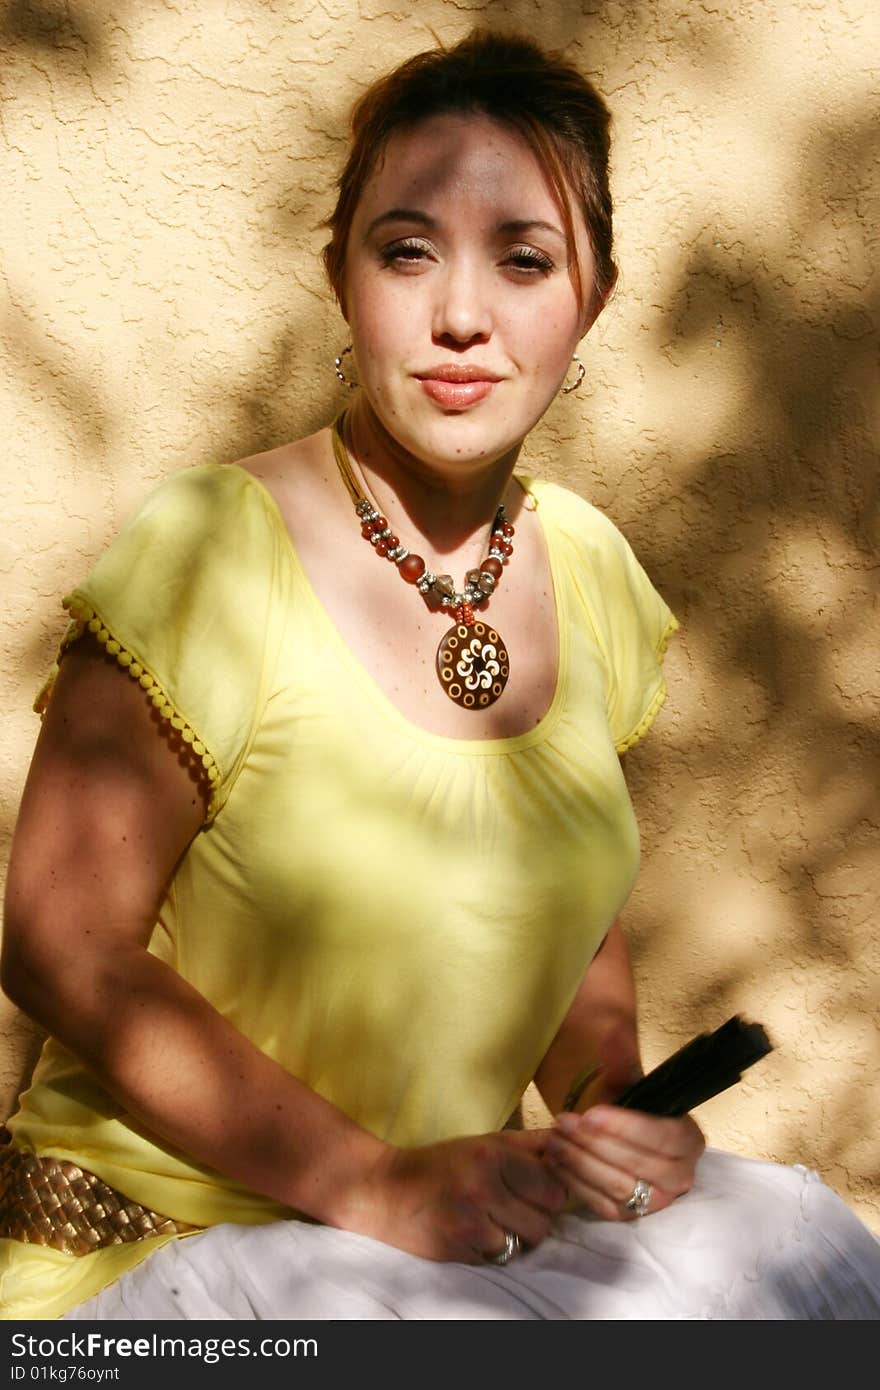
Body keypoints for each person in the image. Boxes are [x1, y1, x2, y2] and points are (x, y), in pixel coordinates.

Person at [1, 28, 879, 1323]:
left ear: (593, 297)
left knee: (810, 1260)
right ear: (341, 279)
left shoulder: (588, 573)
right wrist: (372, 1180)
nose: (461, 313)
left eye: (523, 259)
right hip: (168, 1258)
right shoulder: (212, 550)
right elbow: (58, 938)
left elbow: (565, 947)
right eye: (408, 249)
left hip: (432, 1252)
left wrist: (610, 1119)